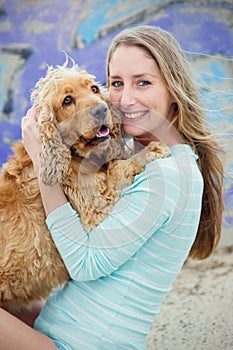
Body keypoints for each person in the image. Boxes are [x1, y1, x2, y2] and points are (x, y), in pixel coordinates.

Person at [0, 25, 224, 350]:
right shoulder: (156, 161)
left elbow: (86, 262)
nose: (123, 99)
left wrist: (43, 163)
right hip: (64, 332)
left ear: (174, 89)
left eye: (143, 82)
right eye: (116, 83)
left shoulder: (167, 173)